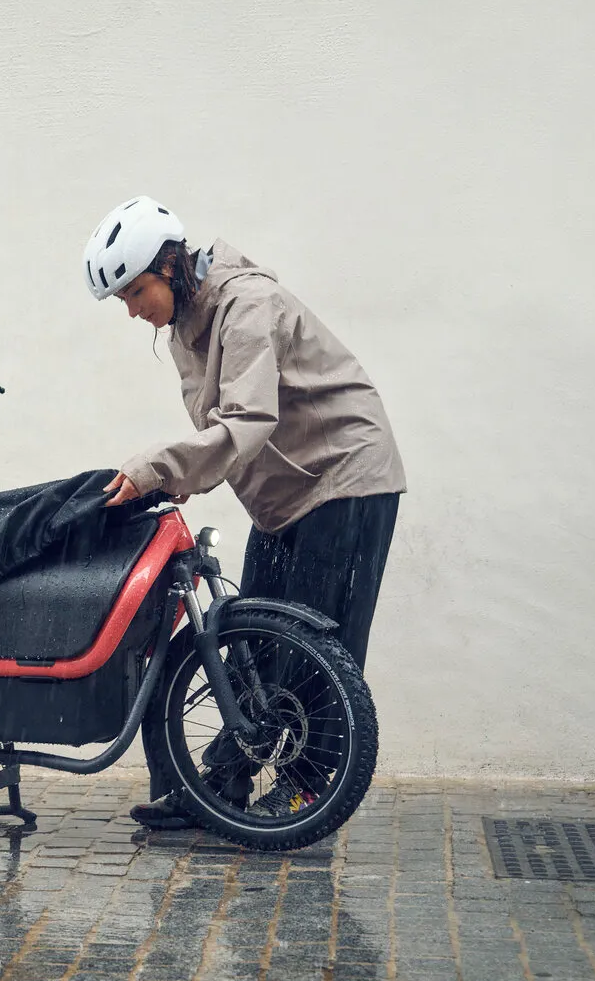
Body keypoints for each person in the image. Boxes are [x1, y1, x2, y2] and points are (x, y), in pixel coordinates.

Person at [83, 196, 406, 829]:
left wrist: (162, 466)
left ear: (171, 266)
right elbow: (221, 428)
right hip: (287, 494)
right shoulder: (182, 327)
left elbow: (247, 421)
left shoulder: (246, 307)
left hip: (346, 477)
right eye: (121, 298)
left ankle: (308, 790)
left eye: (136, 290)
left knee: (315, 645)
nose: (132, 309)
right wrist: (179, 480)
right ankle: (221, 788)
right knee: (251, 635)